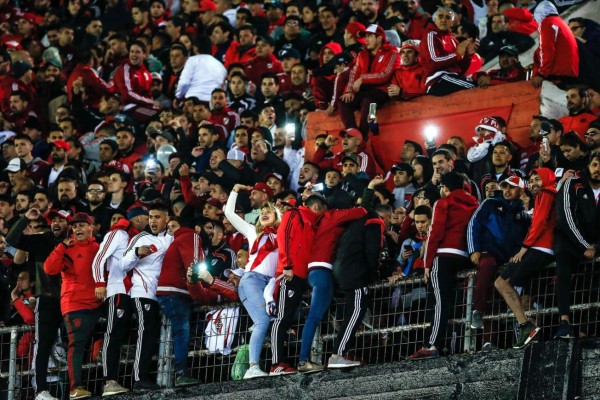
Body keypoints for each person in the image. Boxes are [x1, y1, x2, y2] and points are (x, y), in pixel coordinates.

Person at [410, 172, 478, 359]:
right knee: (456, 302)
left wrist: (427, 262)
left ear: (445, 188)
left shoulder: (443, 202)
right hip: (464, 255)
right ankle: (450, 345)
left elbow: (435, 232)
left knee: (440, 302)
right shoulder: (474, 204)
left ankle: (432, 345)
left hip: (444, 255)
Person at [297, 196, 367, 372]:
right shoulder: (331, 215)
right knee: (314, 316)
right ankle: (304, 360)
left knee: (317, 315)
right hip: (322, 271)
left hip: (313, 271)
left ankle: (312, 358)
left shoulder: (318, 221)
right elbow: (361, 211)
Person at [494, 168, 557, 348]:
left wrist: (524, 248)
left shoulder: (546, 193)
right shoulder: (547, 195)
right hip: (543, 248)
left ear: (547, 179)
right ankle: (529, 328)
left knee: (501, 282)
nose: (534, 183)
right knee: (525, 293)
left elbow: (539, 222)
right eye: (531, 180)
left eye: (538, 179)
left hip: (540, 248)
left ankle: (525, 325)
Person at [224, 183, 281, 379]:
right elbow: (229, 213)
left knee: (274, 322)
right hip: (252, 281)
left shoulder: (282, 237)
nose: (264, 213)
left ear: (277, 217)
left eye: (269, 212)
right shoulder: (252, 232)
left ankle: (275, 364)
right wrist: (235, 190)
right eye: (262, 212)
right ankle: (253, 367)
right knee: (262, 320)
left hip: (271, 285)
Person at [92, 206, 149, 396]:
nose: (146, 220)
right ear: (133, 218)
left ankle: (125, 380)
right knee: (113, 332)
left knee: (126, 335)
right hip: (116, 288)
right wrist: (100, 282)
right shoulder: (118, 233)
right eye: (142, 216)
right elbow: (99, 257)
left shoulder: (136, 237)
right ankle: (109, 381)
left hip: (132, 291)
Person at [43, 213, 101, 400]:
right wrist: (61, 246)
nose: (77, 229)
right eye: (74, 226)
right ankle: (76, 388)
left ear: (91, 227)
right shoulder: (66, 249)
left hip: (98, 303)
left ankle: (99, 384)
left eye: (82, 225)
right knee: (76, 346)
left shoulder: (99, 248)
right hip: (75, 304)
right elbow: (49, 269)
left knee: (98, 343)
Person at [270, 194, 327, 374]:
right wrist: (286, 265)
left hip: (302, 276)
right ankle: (276, 364)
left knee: (290, 319)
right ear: (317, 207)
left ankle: (291, 362)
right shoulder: (294, 214)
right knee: (282, 318)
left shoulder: (311, 223)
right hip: (290, 273)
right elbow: (284, 236)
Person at [467, 176, 529, 334]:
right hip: (489, 251)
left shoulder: (522, 214)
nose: (507, 190)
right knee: (487, 267)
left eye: (512, 187)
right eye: (505, 186)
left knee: (499, 295)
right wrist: (474, 248)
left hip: (507, 257)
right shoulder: (490, 203)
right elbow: (474, 223)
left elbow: (524, 239)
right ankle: (477, 311)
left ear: (520, 190)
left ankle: (490, 340)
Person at [120, 203, 173, 391]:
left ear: (167, 219)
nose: (153, 220)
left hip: (162, 294)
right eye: (150, 217)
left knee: (154, 335)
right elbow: (122, 264)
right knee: (146, 333)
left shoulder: (171, 239)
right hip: (142, 293)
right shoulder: (141, 238)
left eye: (157, 217)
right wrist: (136, 252)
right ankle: (139, 378)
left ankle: (150, 376)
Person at [329, 210, 384, 367]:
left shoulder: (355, 224)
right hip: (355, 273)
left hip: (342, 271)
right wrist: (374, 274)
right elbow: (374, 250)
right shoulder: (374, 221)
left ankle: (341, 353)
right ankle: (337, 354)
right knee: (356, 312)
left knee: (352, 312)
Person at [553, 155, 600, 338]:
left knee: (591, 282)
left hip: (593, 244)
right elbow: (566, 218)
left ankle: (585, 329)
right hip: (568, 240)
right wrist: (584, 245)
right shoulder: (572, 182)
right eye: (595, 164)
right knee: (563, 270)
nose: (598, 169)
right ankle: (564, 321)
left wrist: (595, 246)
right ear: (588, 166)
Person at [339, 24, 399, 139]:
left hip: (382, 93)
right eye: (365, 36)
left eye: (369, 36)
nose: (366, 39)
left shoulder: (392, 53)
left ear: (379, 38)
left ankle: (364, 136)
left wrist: (363, 79)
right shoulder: (362, 55)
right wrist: (349, 91)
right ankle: (353, 133)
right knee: (343, 101)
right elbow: (353, 74)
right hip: (365, 91)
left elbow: (385, 75)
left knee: (369, 102)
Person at [420, 7, 478, 96]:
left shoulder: (454, 41)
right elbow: (433, 62)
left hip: (451, 78)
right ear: (435, 19)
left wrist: (468, 56)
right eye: (440, 16)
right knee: (473, 87)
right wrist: (457, 54)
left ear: (452, 22)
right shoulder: (431, 35)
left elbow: (460, 69)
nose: (443, 20)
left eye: (448, 17)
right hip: (437, 79)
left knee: (478, 84)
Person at [531, 1, 579, 88]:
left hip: (558, 74)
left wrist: (541, 73)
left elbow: (547, 50)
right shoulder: (561, 22)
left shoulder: (546, 23)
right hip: (571, 73)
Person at [175, 35, 227, 102]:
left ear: (195, 48)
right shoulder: (220, 65)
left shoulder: (192, 60)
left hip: (193, 101)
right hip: (212, 103)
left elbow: (184, 83)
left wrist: (178, 97)